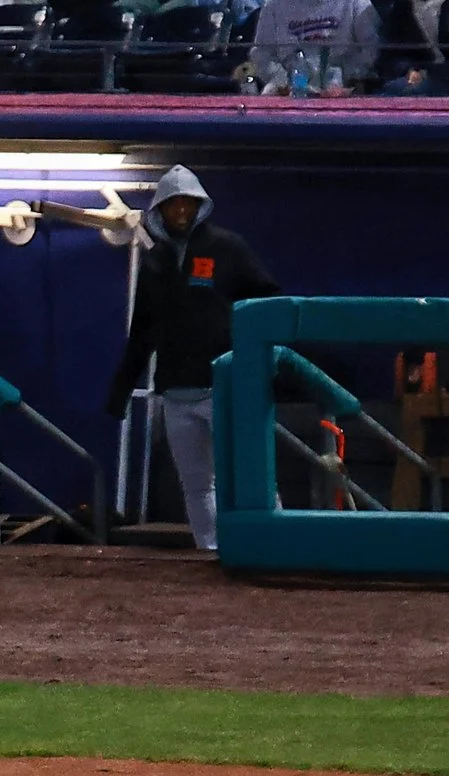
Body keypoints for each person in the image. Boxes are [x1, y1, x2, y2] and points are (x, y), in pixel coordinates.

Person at [102, 165, 279, 555]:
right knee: (197, 483)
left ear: (200, 206)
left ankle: (272, 545)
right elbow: (142, 331)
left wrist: (260, 364)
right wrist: (120, 391)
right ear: (158, 211)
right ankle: (210, 550)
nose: (180, 212)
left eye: (187, 204)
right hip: (175, 391)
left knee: (249, 471)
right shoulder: (155, 262)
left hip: (224, 387)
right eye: (172, 205)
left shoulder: (228, 248)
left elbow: (268, 300)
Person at [244, 0, 381, 91]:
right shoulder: (274, 4)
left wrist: (345, 78)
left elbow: (371, 48)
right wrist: (281, 80)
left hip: (343, 87)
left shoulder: (356, 3)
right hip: (287, 87)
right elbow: (261, 52)